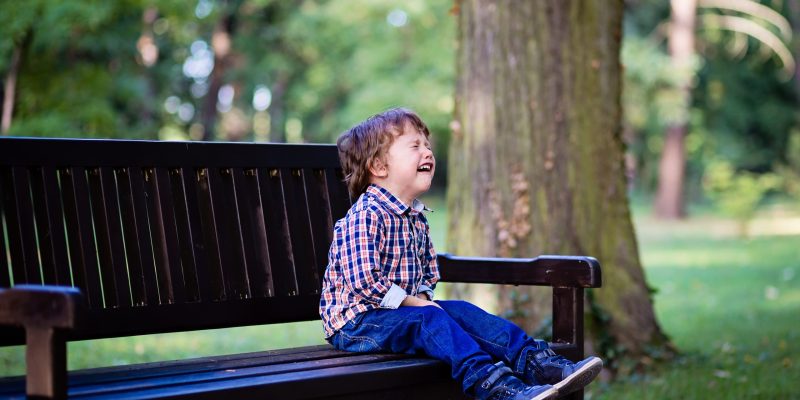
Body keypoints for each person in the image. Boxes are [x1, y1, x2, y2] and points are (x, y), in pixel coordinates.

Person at [319, 108, 602, 400]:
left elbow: (428, 269)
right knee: (429, 320)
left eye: (427, 145)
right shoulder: (365, 216)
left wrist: (425, 298)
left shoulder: (415, 217)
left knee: (462, 311)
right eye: (414, 146)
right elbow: (364, 283)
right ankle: (496, 387)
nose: (427, 152)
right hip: (357, 323)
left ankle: (538, 364)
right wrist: (419, 305)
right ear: (379, 166)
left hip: (404, 313)